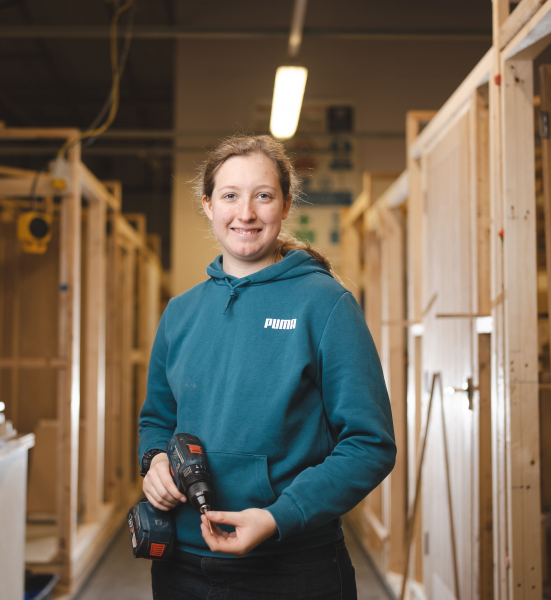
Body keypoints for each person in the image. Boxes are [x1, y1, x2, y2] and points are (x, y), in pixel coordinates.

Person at [137, 134, 396, 600]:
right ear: (208, 205)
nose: (246, 213)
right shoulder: (180, 312)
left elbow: (370, 444)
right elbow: (157, 418)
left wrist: (281, 515)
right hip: (182, 566)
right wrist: (154, 461)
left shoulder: (326, 304)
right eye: (230, 196)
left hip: (293, 567)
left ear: (286, 204)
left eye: (263, 196)